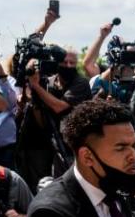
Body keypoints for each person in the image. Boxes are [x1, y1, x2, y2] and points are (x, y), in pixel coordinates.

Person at [18, 47, 91, 190]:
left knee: (67, 183)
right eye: (64, 62)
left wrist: (36, 86)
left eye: (72, 63)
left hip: (71, 143)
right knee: (42, 182)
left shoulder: (80, 82)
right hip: (47, 140)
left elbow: (59, 106)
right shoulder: (49, 81)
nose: (68, 66)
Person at [0, 58, 19, 168]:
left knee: (6, 183)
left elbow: (11, 104)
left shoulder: (9, 81)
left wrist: (2, 76)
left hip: (4, 149)